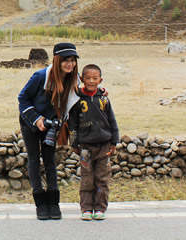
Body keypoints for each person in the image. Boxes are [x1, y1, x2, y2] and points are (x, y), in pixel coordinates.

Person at [18, 42, 80, 220]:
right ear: (57, 60)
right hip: (31, 122)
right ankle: (40, 203)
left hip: (51, 125)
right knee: (34, 160)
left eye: (73, 60)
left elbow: (87, 89)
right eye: (66, 60)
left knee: (50, 160)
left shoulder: (73, 79)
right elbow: (22, 98)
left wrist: (101, 92)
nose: (70, 64)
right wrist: (37, 119)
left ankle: (53, 203)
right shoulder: (40, 76)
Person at [68, 63, 119, 221]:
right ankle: (86, 209)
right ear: (82, 79)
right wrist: (74, 144)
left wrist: (114, 142)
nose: (91, 81)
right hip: (85, 147)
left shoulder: (104, 99)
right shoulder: (77, 99)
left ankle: (100, 208)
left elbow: (112, 121)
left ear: (100, 80)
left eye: (95, 78)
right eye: (88, 78)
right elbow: (72, 124)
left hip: (104, 146)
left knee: (102, 179)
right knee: (87, 179)